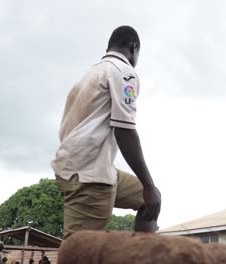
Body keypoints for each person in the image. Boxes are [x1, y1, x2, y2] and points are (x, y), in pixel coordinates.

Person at [51, 25, 161, 240]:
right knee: (80, 252)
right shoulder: (124, 72)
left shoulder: (91, 74)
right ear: (134, 47)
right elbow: (124, 130)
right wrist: (149, 185)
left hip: (90, 167)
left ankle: (143, 254)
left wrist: (148, 189)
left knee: (148, 199)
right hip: (89, 176)